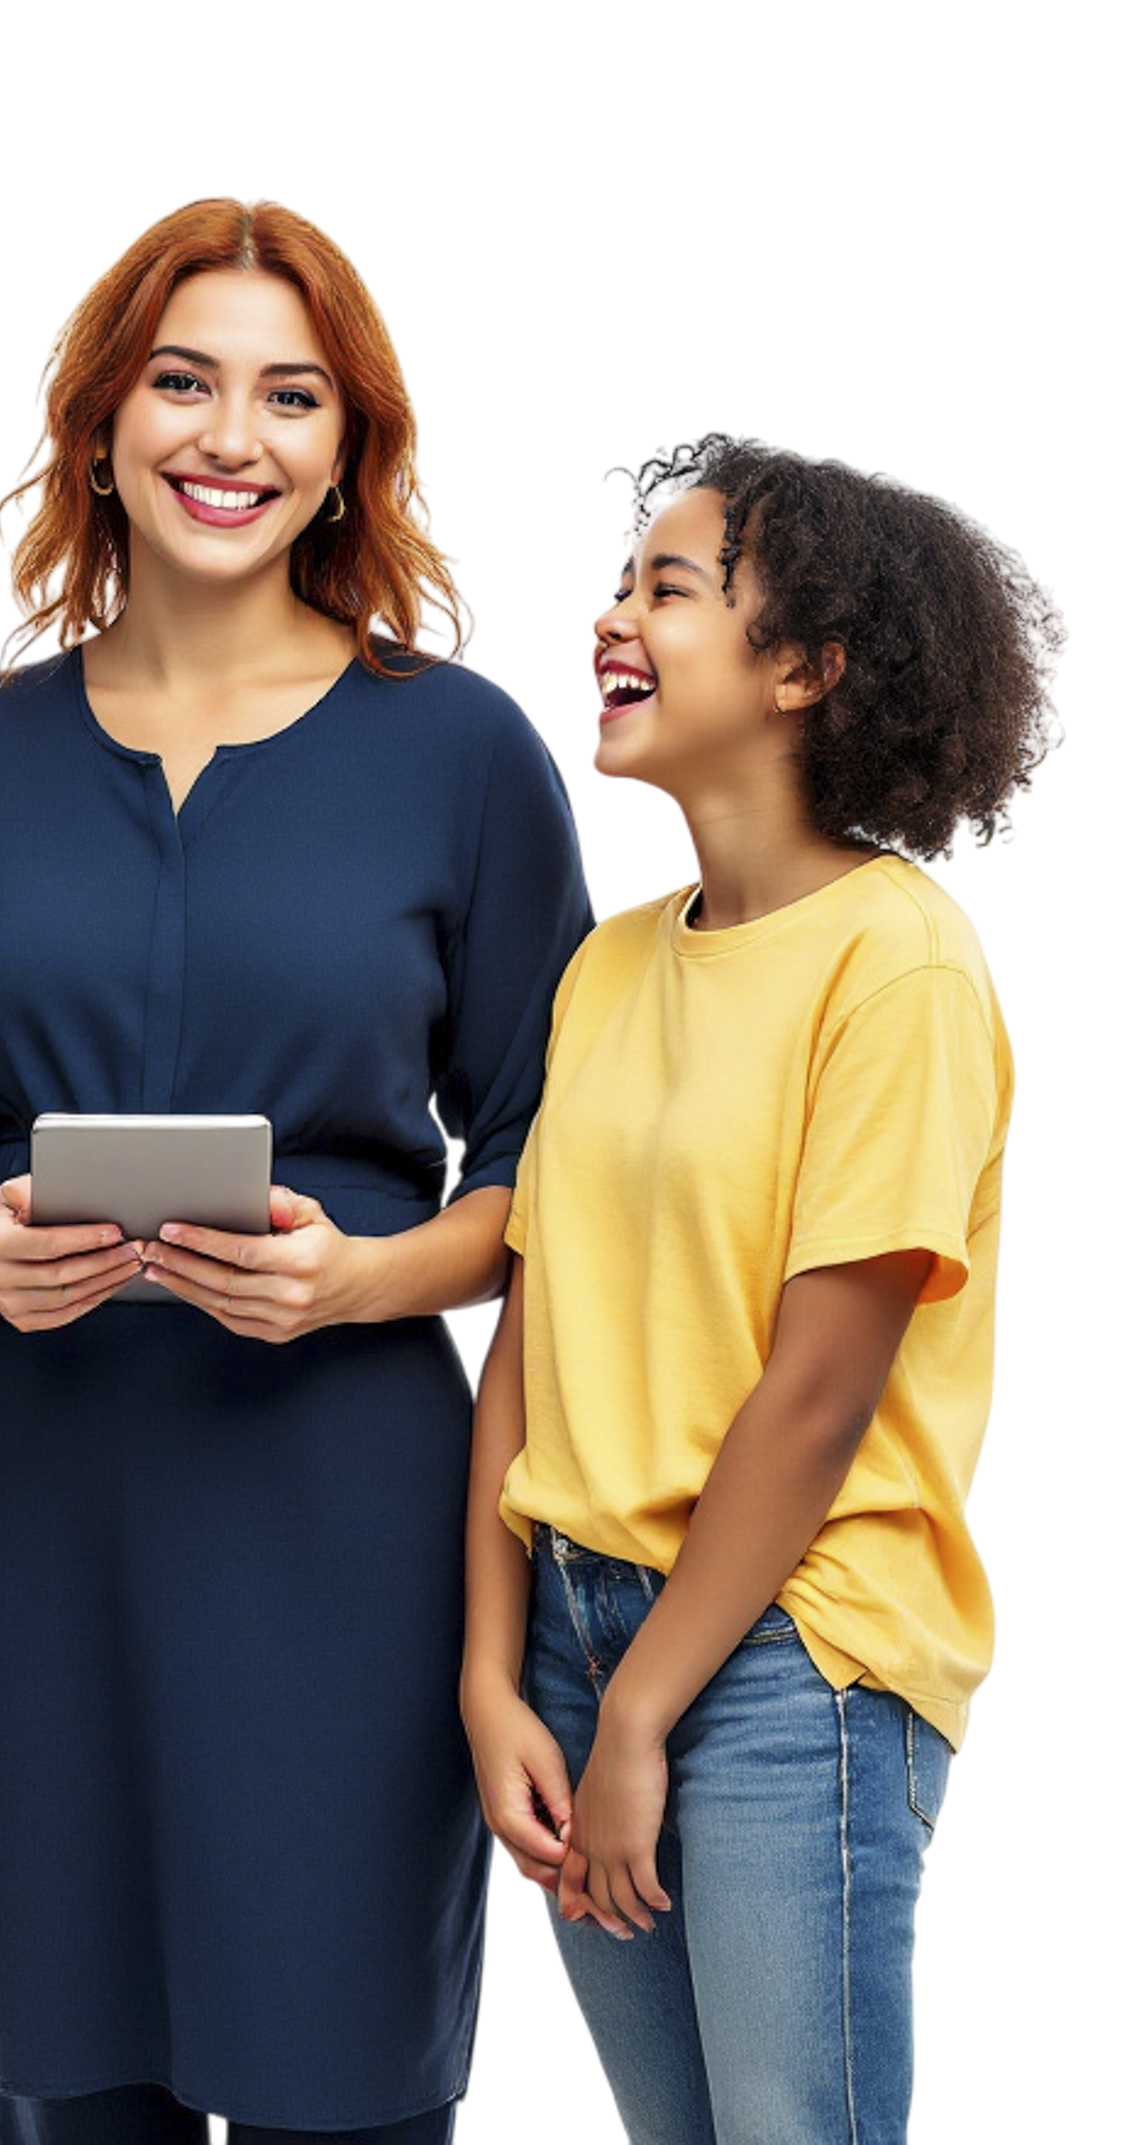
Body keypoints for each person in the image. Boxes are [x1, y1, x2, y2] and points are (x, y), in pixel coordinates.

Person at [0, 198, 591, 2144]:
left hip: (349, 1535)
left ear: (346, 447)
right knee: (65, 2083)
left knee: (339, 2077)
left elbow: (539, 1172)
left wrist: (359, 1279)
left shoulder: (455, 755)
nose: (233, 434)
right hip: (37, 1533)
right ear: (96, 419)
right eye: (183, 380)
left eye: (291, 395)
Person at [460, 434, 1047, 2145]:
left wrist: (647, 1707)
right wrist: (498, 1678)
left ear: (804, 667)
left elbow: (820, 1389)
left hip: (795, 1662)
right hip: (580, 1630)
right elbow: (531, 1337)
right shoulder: (611, 959)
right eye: (618, 581)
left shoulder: (903, 961)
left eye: (668, 587)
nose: (609, 618)